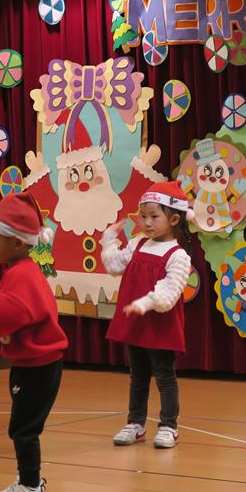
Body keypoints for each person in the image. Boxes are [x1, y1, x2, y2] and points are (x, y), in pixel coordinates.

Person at [0, 192, 67, 492]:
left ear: (16, 242)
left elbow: (9, 315)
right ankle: (29, 479)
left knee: (23, 429)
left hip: (36, 366)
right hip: (37, 363)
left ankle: (30, 488)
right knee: (25, 426)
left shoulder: (20, 275)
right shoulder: (22, 271)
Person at [102, 181, 192, 449]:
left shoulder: (178, 255)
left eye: (154, 216)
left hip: (160, 325)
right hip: (137, 325)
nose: (146, 222)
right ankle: (136, 424)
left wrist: (144, 303)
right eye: (143, 216)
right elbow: (114, 265)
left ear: (174, 219)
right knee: (138, 376)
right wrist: (109, 240)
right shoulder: (137, 244)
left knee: (164, 376)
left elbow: (168, 293)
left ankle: (168, 426)